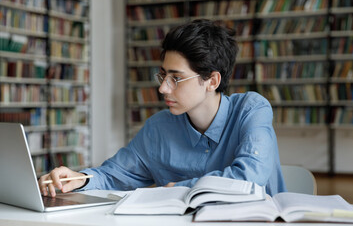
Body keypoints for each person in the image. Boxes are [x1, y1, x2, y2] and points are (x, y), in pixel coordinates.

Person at [39, 19, 286, 197]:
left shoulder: (251, 110)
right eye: (163, 76)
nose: (163, 89)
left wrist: (178, 188)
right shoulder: (159, 127)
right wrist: (78, 179)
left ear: (212, 81)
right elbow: (114, 174)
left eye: (176, 78)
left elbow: (249, 179)